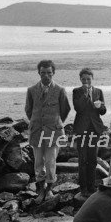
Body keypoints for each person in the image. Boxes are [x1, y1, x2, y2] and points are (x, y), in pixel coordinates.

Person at [25, 59, 71, 203]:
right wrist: (36, 121)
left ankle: (49, 188)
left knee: (50, 162)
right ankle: (40, 189)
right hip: (37, 131)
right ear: (39, 73)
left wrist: (56, 123)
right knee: (38, 162)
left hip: (54, 131)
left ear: (53, 73)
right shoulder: (31, 90)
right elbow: (28, 110)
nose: (46, 75)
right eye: (43, 72)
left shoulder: (60, 90)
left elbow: (65, 109)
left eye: (49, 73)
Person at [72, 68, 107, 198]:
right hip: (81, 129)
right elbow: (78, 108)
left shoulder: (99, 91)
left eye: (88, 79)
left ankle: (92, 187)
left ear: (92, 79)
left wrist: (100, 107)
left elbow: (103, 111)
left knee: (92, 159)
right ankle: (83, 188)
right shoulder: (76, 91)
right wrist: (85, 95)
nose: (86, 81)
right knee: (83, 159)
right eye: (84, 79)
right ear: (80, 79)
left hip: (95, 128)